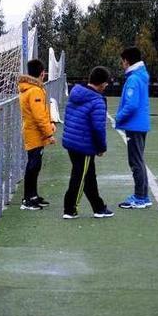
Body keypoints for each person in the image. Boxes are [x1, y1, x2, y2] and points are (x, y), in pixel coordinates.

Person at [61, 66, 115, 220]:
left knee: (89, 175)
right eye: (106, 84)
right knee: (79, 177)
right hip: (84, 145)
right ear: (103, 84)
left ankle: (98, 207)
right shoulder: (97, 101)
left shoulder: (76, 93)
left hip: (72, 141)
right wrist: (101, 148)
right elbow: (98, 128)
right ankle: (70, 208)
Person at [115, 46, 153, 209]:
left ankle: (140, 197)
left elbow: (131, 105)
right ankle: (142, 195)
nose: (122, 64)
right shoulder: (141, 76)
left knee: (135, 161)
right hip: (140, 125)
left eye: (122, 61)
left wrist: (118, 117)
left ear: (127, 61)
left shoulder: (133, 79)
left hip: (134, 126)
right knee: (139, 160)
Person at [18, 59, 56, 210]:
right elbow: (39, 116)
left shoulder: (32, 89)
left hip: (33, 131)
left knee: (35, 165)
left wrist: (50, 123)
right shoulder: (34, 90)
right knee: (33, 165)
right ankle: (28, 199)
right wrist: (48, 134)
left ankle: (32, 195)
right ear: (42, 73)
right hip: (34, 133)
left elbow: (41, 114)